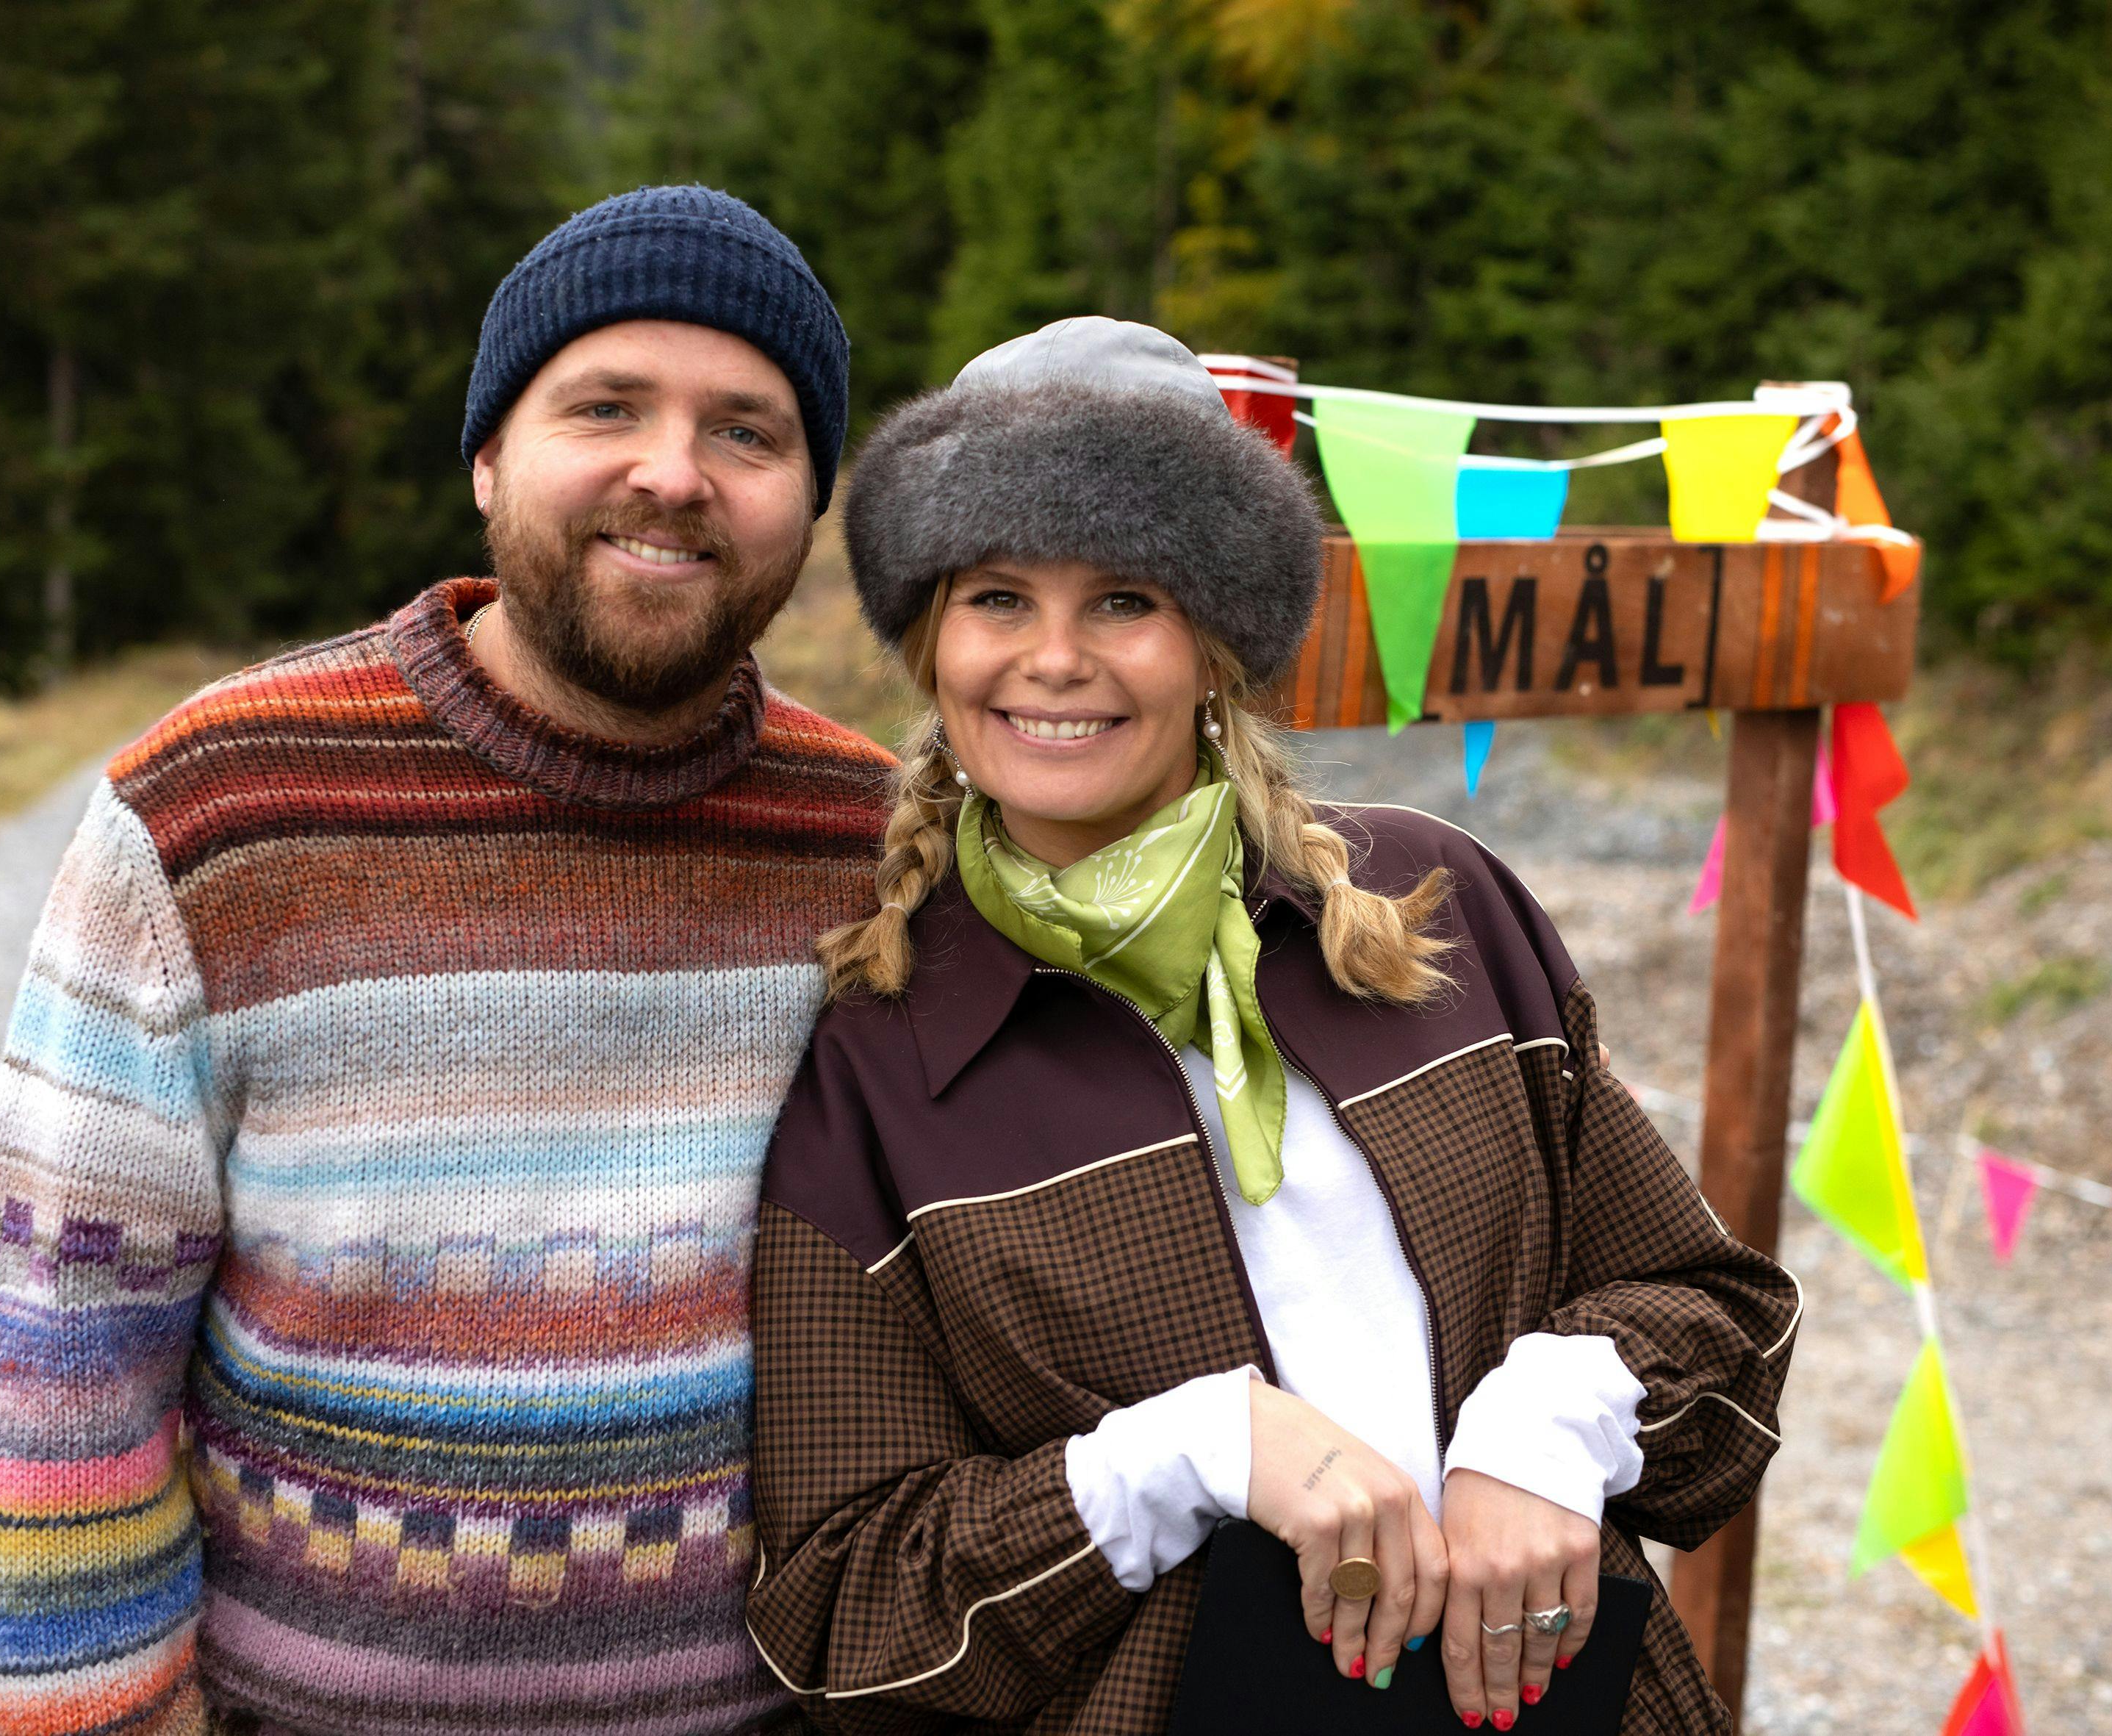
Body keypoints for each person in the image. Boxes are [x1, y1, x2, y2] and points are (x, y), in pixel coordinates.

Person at [743, 318, 1801, 1735]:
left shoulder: (1441, 910)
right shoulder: (882, 1063)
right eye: (998, 595)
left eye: (1125, 598)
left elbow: (1718, 1314)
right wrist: (1180, 1456)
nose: (1054, 659)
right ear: (933, 641)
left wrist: (1554, 1420)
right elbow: (843, 1615)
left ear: (1218, 640)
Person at [0, 186, 894, 1736]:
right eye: (605, 406)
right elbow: (54, 1351)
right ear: (484, 458)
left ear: (806, 497)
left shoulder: (873, 844)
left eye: (747, 430)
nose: (674, 472)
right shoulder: (218, 810)